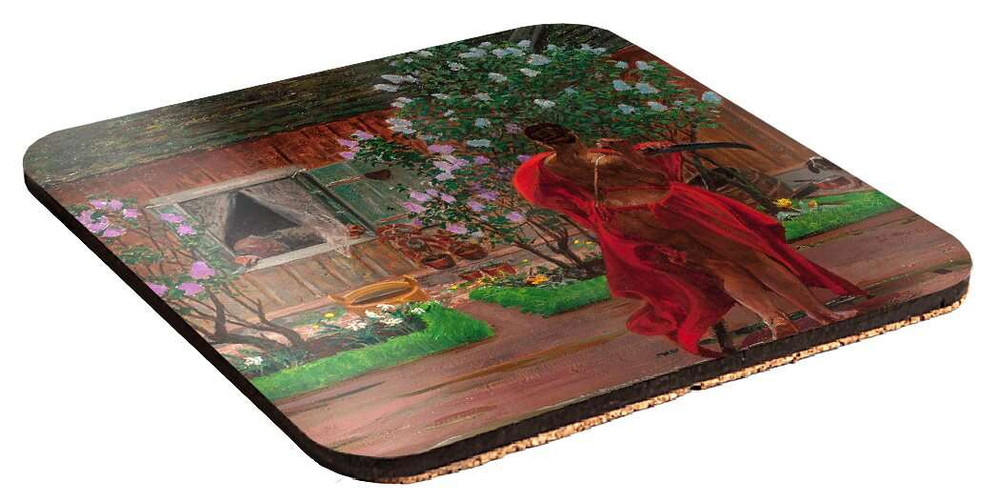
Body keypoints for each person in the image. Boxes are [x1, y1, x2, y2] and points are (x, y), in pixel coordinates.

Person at [512, 123, 864, 357]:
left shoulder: (548, 169)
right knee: (753, 259)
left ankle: (775, 320)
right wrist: (631, 153)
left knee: (722, 268)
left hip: (625, 222)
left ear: (547, 145)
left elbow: (561, 200)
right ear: (574, 137)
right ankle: (821, 315)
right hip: (667, 208)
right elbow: (652, 178)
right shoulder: (603, 158)